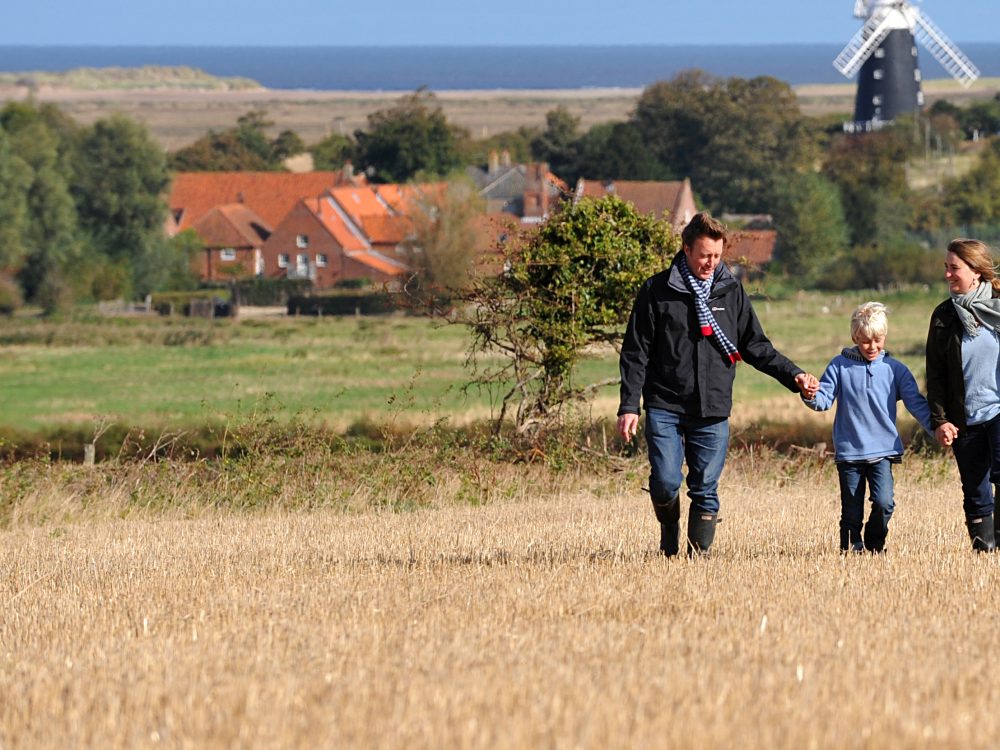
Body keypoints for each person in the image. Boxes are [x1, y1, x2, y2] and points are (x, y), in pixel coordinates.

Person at [617, 212, 818, 558]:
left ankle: (699, 560)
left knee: (705, 489)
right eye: (704, 256)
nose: (711, 263)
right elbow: (636, 353)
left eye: (717, 256)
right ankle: (669, 533)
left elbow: (755, 346)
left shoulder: (730, 291)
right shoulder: (657, 291)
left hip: (712, 408)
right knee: (665, 483)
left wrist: (794, 375)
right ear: (685, 249)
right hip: (665, 405)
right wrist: (629, 405)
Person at [802, 302, 937, 553]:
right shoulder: (839, 366)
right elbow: (822, 401)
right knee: (851, 511)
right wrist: (809, 393)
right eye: (865, 341)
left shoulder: (895, 370)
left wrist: (937, 427)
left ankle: (875, 545)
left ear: (885, 336)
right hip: (850, 453)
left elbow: (916, 404)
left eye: (878, 340)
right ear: (855, 337)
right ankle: (850, 550)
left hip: (883, 451)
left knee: (885, 503)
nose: (872, 347)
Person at [926, 238, 1000, 552]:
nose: (947, 274)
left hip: (998, 411)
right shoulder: (943, 316)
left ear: (977, 272)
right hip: (964, 419)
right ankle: (984, 552)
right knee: (975, 491)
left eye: (954, 268)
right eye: (946, 267)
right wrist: (940, 420)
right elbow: (936, 376)